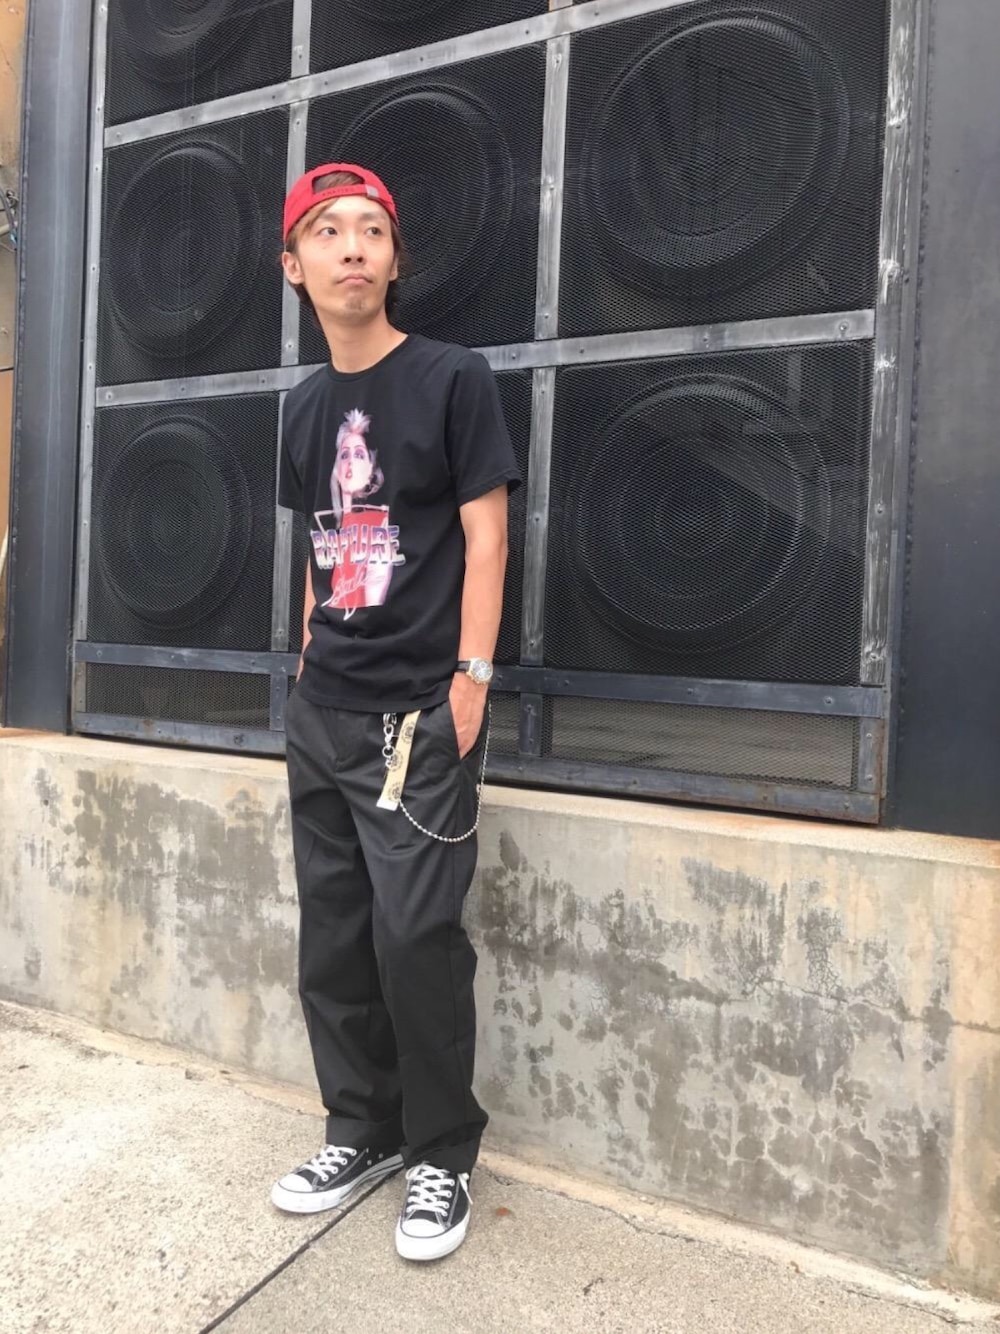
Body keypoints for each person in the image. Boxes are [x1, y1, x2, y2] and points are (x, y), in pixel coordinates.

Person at [271, 161, 520, 1263]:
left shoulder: (452, 378)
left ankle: (441, 1152)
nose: (353, 248)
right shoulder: (301, 405)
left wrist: (472, 677)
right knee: (332, 935)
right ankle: (360, 1129)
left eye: (371, 229)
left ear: (394, 258)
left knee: (416, 938)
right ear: (295, 266)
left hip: (419, 713)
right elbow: (321, 543)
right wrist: (306, 650)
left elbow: (486, 536)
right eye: (329, 231)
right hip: (323, 709)